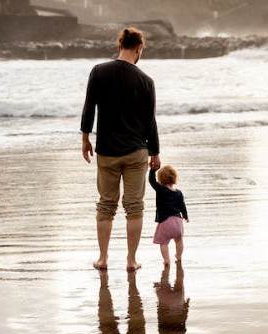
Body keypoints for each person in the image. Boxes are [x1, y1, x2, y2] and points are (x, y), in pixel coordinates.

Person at [81, 27, 161, 271]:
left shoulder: (99, 71)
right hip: (136, 151)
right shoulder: (146, 81)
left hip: (106, 150)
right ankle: (131, 260)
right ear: (138, 49)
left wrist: (85, 138)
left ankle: (103, 258)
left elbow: (89, 108)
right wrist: (155, 153)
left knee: (106, 205)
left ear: (119, 47)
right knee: (134, 206)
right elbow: (150, 121)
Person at [149, 165, 189, 266]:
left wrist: (152, 170)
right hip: (177, 221)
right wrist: (186, 216)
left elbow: (151, 181)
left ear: (160, 179)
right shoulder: (178, 193)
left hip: (165, 221)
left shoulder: (161, 189)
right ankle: (179, 256)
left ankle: (166, 260)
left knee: (164, 243)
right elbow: (182, 206)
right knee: (179, 240)